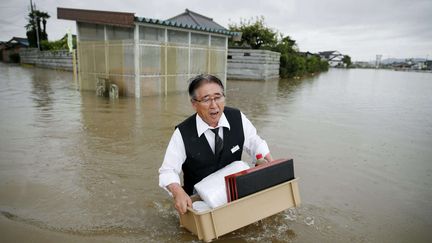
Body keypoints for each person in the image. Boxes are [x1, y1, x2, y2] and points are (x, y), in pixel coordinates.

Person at [158, 74, 273, 214]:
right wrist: (178, 192)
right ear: (194, 104)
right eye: (206, 99)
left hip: (233, 194)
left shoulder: (237, 117)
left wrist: (267, 161)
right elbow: (168, 170)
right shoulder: (183, 133)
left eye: (218, 97)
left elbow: (254, 142)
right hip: (199, 202)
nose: (214, 105)